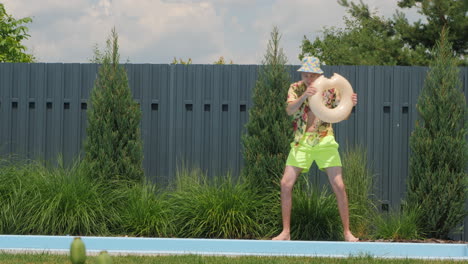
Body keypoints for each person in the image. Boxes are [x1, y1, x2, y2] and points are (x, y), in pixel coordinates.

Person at [272, 56, 359, 242]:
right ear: (302, 75)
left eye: (312, 75)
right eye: (306, 75)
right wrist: (304, 96)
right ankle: (286, 232)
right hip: (302, 140)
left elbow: (342, 116)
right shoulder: (295, 88)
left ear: (319, 74)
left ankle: (347, 233)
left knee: (339, 185)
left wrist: (350, 104)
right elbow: (288, 110)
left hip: (324, 139)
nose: (309, 79)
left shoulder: (331, 90)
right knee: (285, 184)